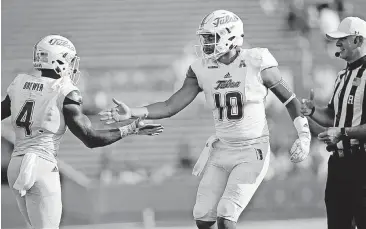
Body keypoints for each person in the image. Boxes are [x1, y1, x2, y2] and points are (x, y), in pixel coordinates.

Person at [99, 10, 311, 229]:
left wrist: (304, 135)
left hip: (252, 150)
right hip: (222, 149)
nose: (206, 43)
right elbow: (170, 106)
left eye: (211, 37)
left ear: (230, 36)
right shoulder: (201, 69)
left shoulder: (257, 61)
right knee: (202, 217)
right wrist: (133, 111)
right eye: (205, 38)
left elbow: (290, 99)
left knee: (226, 217)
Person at [1, 34, 164, 229]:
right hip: (41, 165)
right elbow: (90, 138)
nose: (72, 66)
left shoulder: (19, 83)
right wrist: (130, 128)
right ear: (58, 60)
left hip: (16, 165)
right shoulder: (64, 89)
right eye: (69, 61)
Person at [301, 17, 366, 229]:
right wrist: (312, 110)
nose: (337, 44)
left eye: (342, 39)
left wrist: (343, 133)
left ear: (357, 40)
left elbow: (340, 127)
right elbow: (332, 116)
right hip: (339, 164)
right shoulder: (341, 76)